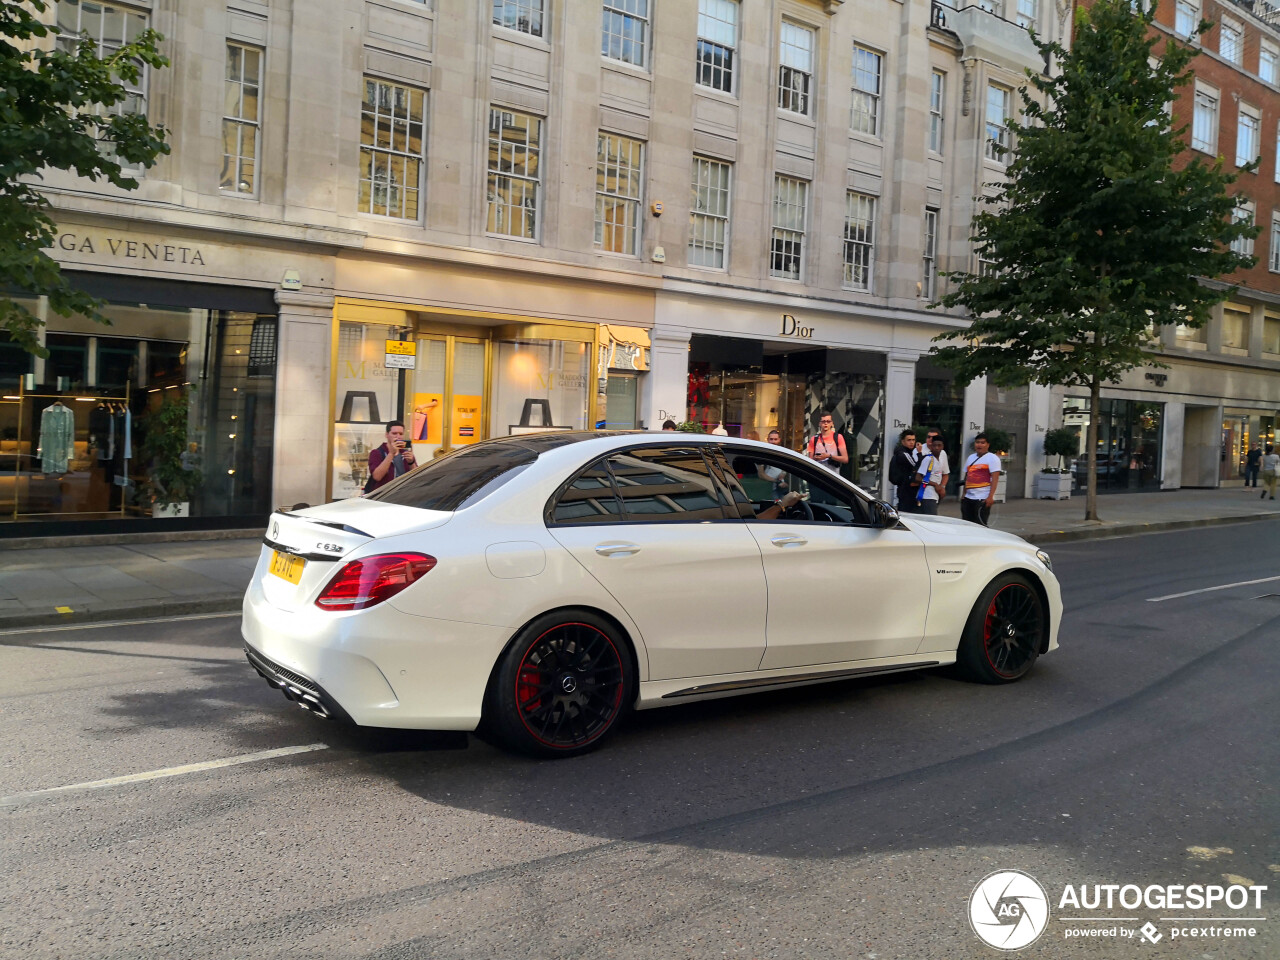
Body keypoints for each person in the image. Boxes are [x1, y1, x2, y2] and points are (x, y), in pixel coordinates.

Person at [960, 433, 1002, 526]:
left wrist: (990, 497)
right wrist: (964, 494)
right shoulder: (971, 458)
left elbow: (995, 478)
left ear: (988, 445)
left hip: (982, 498)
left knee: (980, 525)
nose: (979, 445)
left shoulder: (992, 458)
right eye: (977, 442)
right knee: (966, 524)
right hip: (968, 498)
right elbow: (967, 476)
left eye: (982, 443)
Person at [365, 419, 416, 493]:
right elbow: (377, 477)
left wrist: (411, 463)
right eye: (394, 433)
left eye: (401, 434)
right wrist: (391, 454)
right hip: (384, 496)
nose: (398, 436)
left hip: (404, 494)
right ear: (387, 435)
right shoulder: (376, 453)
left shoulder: (406, 453)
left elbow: (416, 477)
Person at [913, 434, 949, 516]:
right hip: (927, 495)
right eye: (934, 445)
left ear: (942, 447)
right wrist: (935, 484)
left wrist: (941, 487)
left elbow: (945, 474)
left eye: (939, 445)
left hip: (935, 495)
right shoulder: (928, 459)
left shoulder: (940, 459)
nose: (936, 448)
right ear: (931, 447)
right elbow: (918, 478)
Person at [888, 428, 922, 512]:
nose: (912, 442)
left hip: (906, 489)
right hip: (906, 490)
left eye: (913, 440)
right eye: (909, 440)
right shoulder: (903, 454)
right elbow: (916, 466)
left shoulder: (907, 452)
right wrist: (920, 453)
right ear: (903, 441)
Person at [759, 430, 790, 498]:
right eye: (771, 439)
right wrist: (776, 481)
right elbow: (761, 474)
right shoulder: (763, 454)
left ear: (779, 440)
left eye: (775, 439)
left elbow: (788, 468)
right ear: (767, 440)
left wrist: (784, 473)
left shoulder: (784, 453)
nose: (773, 442)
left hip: (782, 489)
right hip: (768, 489)